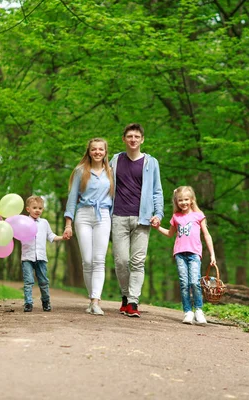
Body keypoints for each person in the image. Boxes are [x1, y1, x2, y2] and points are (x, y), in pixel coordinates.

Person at [110, 123, 164, 318]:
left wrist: (159, 213)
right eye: (129, 136)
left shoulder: (151, 163)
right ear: (124, 139)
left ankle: (133, 301)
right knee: (121, 261)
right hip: (118, 216)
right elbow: (104, 184)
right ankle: (125, 295)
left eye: (137, 136)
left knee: (138, 261)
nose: (133, 139)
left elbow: (157, 190)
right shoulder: (115, 160)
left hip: (143, 218)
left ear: (142, 140)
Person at [63, 138, 114, 316]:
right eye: (94, 149)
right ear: (89, 151)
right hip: (83, 215)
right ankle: (91, 297)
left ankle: (95, 301)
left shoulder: (111, 172)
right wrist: (68, 224)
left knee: (99, 259)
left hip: (104, 216)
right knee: (87, 260)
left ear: (106, 152)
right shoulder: (80, 171)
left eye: (101, 149)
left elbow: (115, 199)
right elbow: (72, 198)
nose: (98, 152)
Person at [152, 186, 216, 325]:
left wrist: (212, 254)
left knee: (194, 282)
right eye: (180, 200)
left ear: (192, 200)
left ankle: (198, 310)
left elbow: (206, 234)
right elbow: (170, 234)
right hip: (180, 254)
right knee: (184, 283)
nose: (183, 202)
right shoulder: (176, 217)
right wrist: (158, 228)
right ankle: (188, 311)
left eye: (186, 199)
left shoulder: (198, 215)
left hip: (194, 254)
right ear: (177, 202)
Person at [20, 195, 67, 312]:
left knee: (43, 281)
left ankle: (46, 302)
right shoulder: (23, 222)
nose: (37, 210)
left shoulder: (44, 223)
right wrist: (2, 222)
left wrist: (62, 237)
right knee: (28, 281)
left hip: (41, 257)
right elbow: (12, 228)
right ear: (28, 209)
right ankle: (28, 303)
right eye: (34, 207)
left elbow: (50, 236)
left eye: (40, 208)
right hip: (27, 257)